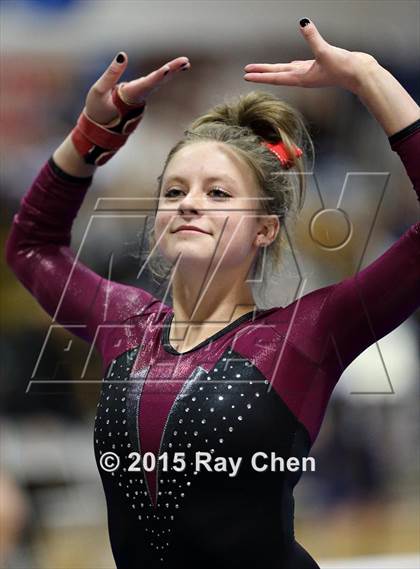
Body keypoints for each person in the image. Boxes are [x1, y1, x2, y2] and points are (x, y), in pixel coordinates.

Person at [5, 17, 420, 569]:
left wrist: (369, 77)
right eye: (175, 190)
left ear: (264, 228)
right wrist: (90, 134)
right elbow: (31, 245)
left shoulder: (303, 336)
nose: (189, 203)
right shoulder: (126, 325)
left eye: (218, 193)